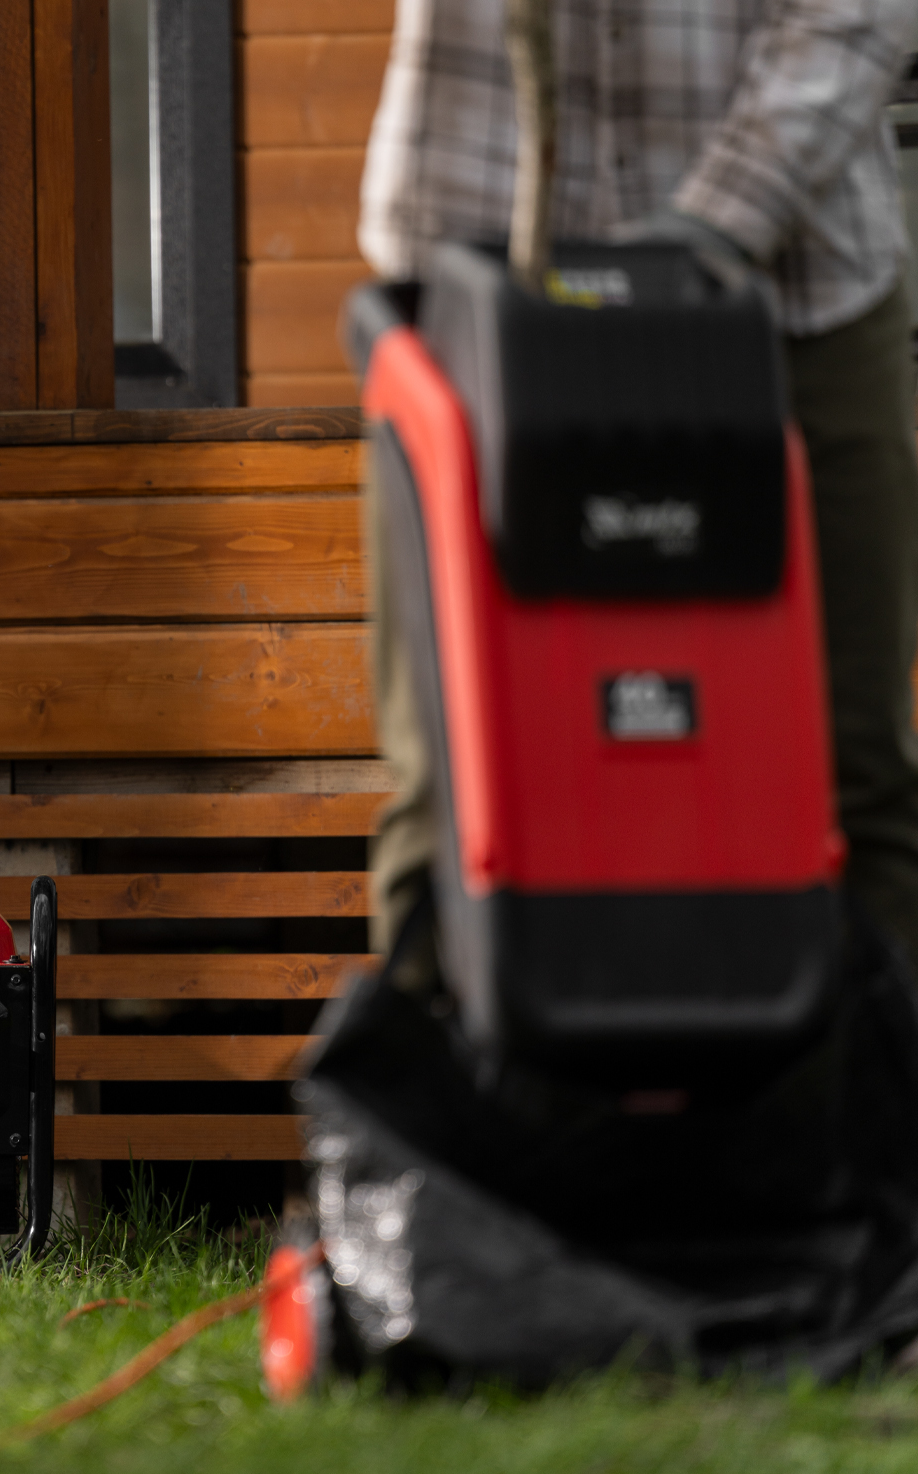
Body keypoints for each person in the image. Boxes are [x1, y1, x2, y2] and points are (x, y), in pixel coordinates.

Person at [357, 0, 918, 970]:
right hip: (475, 267)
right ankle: (438, 1044)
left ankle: (873, 1053)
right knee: (450, 767)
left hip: (795, 281)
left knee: (852, 764)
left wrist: (711, 226)